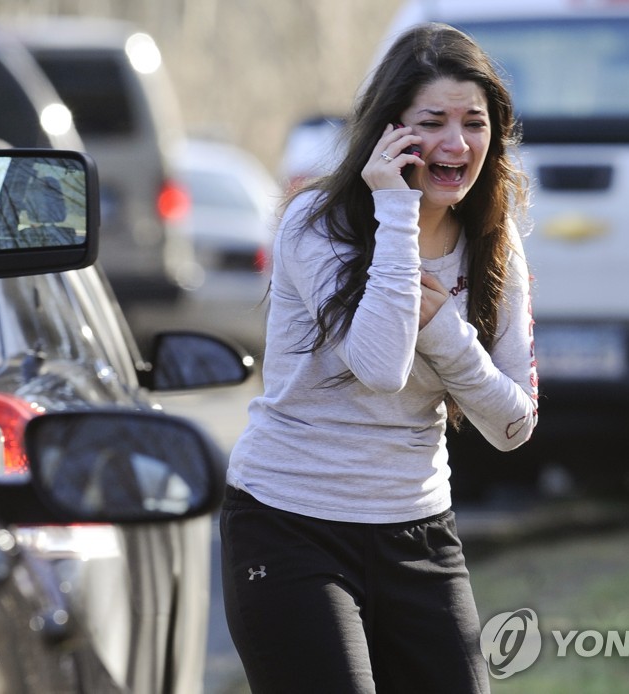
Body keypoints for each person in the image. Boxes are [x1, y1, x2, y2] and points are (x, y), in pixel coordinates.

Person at [221, 22, 538, 693]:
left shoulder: (494, 240)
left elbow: (514, 426)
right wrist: (397, 212)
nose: (456, 144)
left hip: (417, 532)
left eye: (474, 123)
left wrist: (447, 331)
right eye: (433, 122)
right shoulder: (315, 222)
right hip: (288, 527)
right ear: (390, 133)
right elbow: (381, 365)